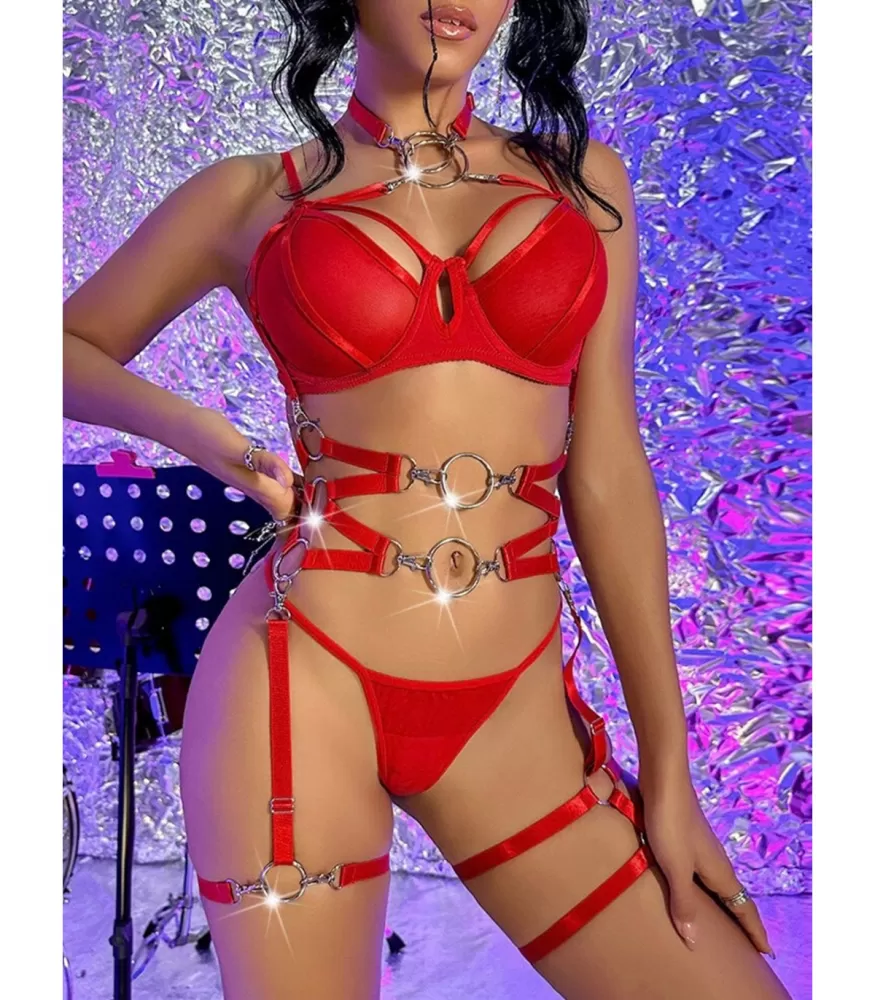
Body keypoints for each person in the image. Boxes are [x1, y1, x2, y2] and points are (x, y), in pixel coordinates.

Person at [63, 1, 794, 997]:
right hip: (300, 680)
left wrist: (669, 777)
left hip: (512, 715)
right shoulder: (251, 195)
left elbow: (607, 470)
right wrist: (213, 439)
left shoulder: (582, 181)